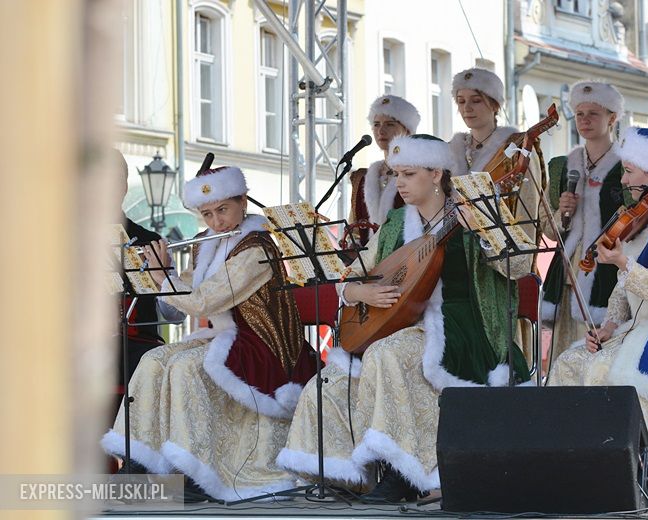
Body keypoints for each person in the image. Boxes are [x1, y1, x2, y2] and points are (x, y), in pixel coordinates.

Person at [278, 134, 536, 502]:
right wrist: (359, 293)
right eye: (396, 174)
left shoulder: (475, 211)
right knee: (330, 381)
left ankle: (405, 473)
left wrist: (483, 229)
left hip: (464, 327)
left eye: (409, 174)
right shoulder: (396, 222)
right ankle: (346, 474)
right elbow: (352, 274)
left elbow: (522, 265)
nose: (398, 183)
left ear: (436, 174)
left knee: (387, 355)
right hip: (400, 325)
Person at [102, 165, 317, 501]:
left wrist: (163, 278)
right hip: (225, 337)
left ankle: (194, 473)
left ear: (243, 201)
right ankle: (138, 461)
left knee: (187, 367)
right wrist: (163, 274)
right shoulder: (205, 243)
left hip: (263, 343)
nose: (217, 221)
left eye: (223, 210)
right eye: (207, 214)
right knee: (154, 359)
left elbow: (205, 300)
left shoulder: (257, 247)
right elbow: (174, 310)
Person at [548, 127, 648, 471]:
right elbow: (624, 289)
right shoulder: (647, 213)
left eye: (629, 171)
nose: (622, 181)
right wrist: (608, 326)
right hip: (637, 326)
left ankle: (613, 469)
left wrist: (622, 262)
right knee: (568, 361)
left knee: (598, 369)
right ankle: (567, 463)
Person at [541, 81, 632, 365]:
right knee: (564, 356)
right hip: (566, 275)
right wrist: (562, 214)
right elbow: (546, 228)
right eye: (580, 114)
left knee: (600, 358)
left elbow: (635, 223)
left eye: (594, 113)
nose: (585, 120)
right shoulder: (561, 167)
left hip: (606, 275)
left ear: (612, 118)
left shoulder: (627, 167)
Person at [448, 67, 545, 243]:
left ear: (495, 104)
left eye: (476, 101)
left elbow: (527, 211)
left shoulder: (517, 148)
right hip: (456, 251)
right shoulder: (450, 151)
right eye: (461, 102)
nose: (467, 108)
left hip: (500, 252)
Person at [114, 149, 165, 384]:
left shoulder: (151, 240)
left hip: (137, 345)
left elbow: (174, 314)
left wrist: (161, 280)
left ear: (123, 188)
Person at [348, 95, 420, 245]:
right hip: (366, 264)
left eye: (389, 124)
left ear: (406, 130)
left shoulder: (419, 172)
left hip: (406, 258)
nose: (381, 130)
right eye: (376, 124)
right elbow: (353, 230)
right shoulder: (363, 177)